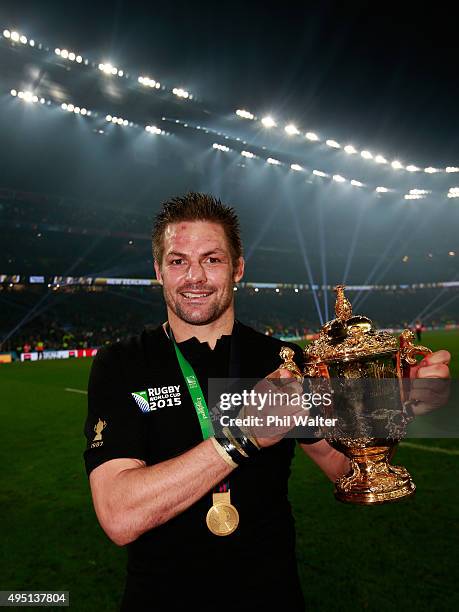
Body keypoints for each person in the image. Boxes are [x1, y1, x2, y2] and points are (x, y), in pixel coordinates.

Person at [83, 193, 451, 611]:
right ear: (159, 270)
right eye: (178, 261)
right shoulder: (122, 364)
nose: (195, 276)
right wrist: (243, 436)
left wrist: (391, 402)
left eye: (212, 259)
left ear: (238, 268)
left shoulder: (283, 362)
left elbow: (346, 470)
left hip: (271, 596)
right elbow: (119, 515)